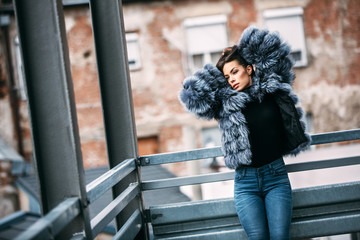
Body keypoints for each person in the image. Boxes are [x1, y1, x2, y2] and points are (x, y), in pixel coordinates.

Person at [179, 27, 311, 240]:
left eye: (235, 71)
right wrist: (218, 69)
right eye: (226, 76)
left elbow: (275, 51)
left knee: (280, 237)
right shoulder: (224, 102)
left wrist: (239, 50)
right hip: (245, 182)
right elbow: (192, 96)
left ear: (249, 69)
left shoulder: (271, 88)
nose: (231, 79)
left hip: (275, 177)